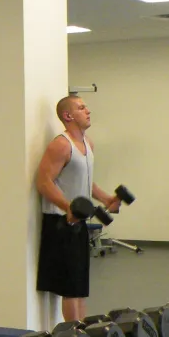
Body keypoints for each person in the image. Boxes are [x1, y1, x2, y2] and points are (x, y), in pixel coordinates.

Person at [34, 95, 124, 322]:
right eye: (81, 107)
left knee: (80, 285)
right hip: (61, 222)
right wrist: (68, 208)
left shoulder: (88, 144)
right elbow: (44, 182)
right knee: (71, 287)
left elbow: (86, 180)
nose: (88, 111)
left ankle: (81, 333)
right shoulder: (61, 145)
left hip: (79, 221)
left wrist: (107, 199)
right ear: (68, 116)